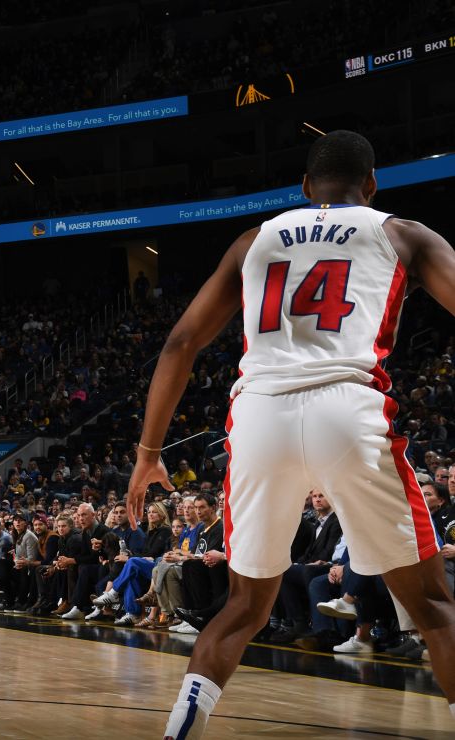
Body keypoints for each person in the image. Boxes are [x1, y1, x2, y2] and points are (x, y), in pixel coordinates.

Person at [127, 130, 455, 738]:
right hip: (347, 410)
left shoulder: (254, 240)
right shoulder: (400, 232)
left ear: (304, 188)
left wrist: (149, 454)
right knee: (433, 608)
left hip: (259, 418)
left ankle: (180, 730)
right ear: (373, 183)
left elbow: (180, 343)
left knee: (244, 607)